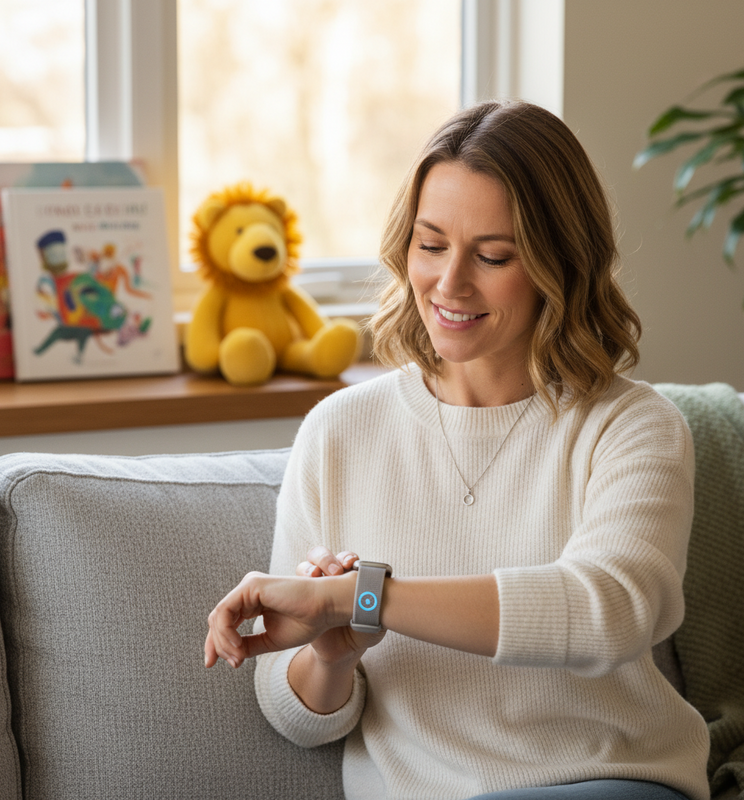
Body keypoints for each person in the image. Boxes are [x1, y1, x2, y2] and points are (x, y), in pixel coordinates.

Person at [205, 100, 711, 800]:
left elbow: (609, 612)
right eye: (431, 244)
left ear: (558, 263)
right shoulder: (338, 431)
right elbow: (298, 716)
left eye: (494, 255)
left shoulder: (632, 427)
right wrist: (330, 649)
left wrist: (365, 597)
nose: (450, 284)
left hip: (605, 780)